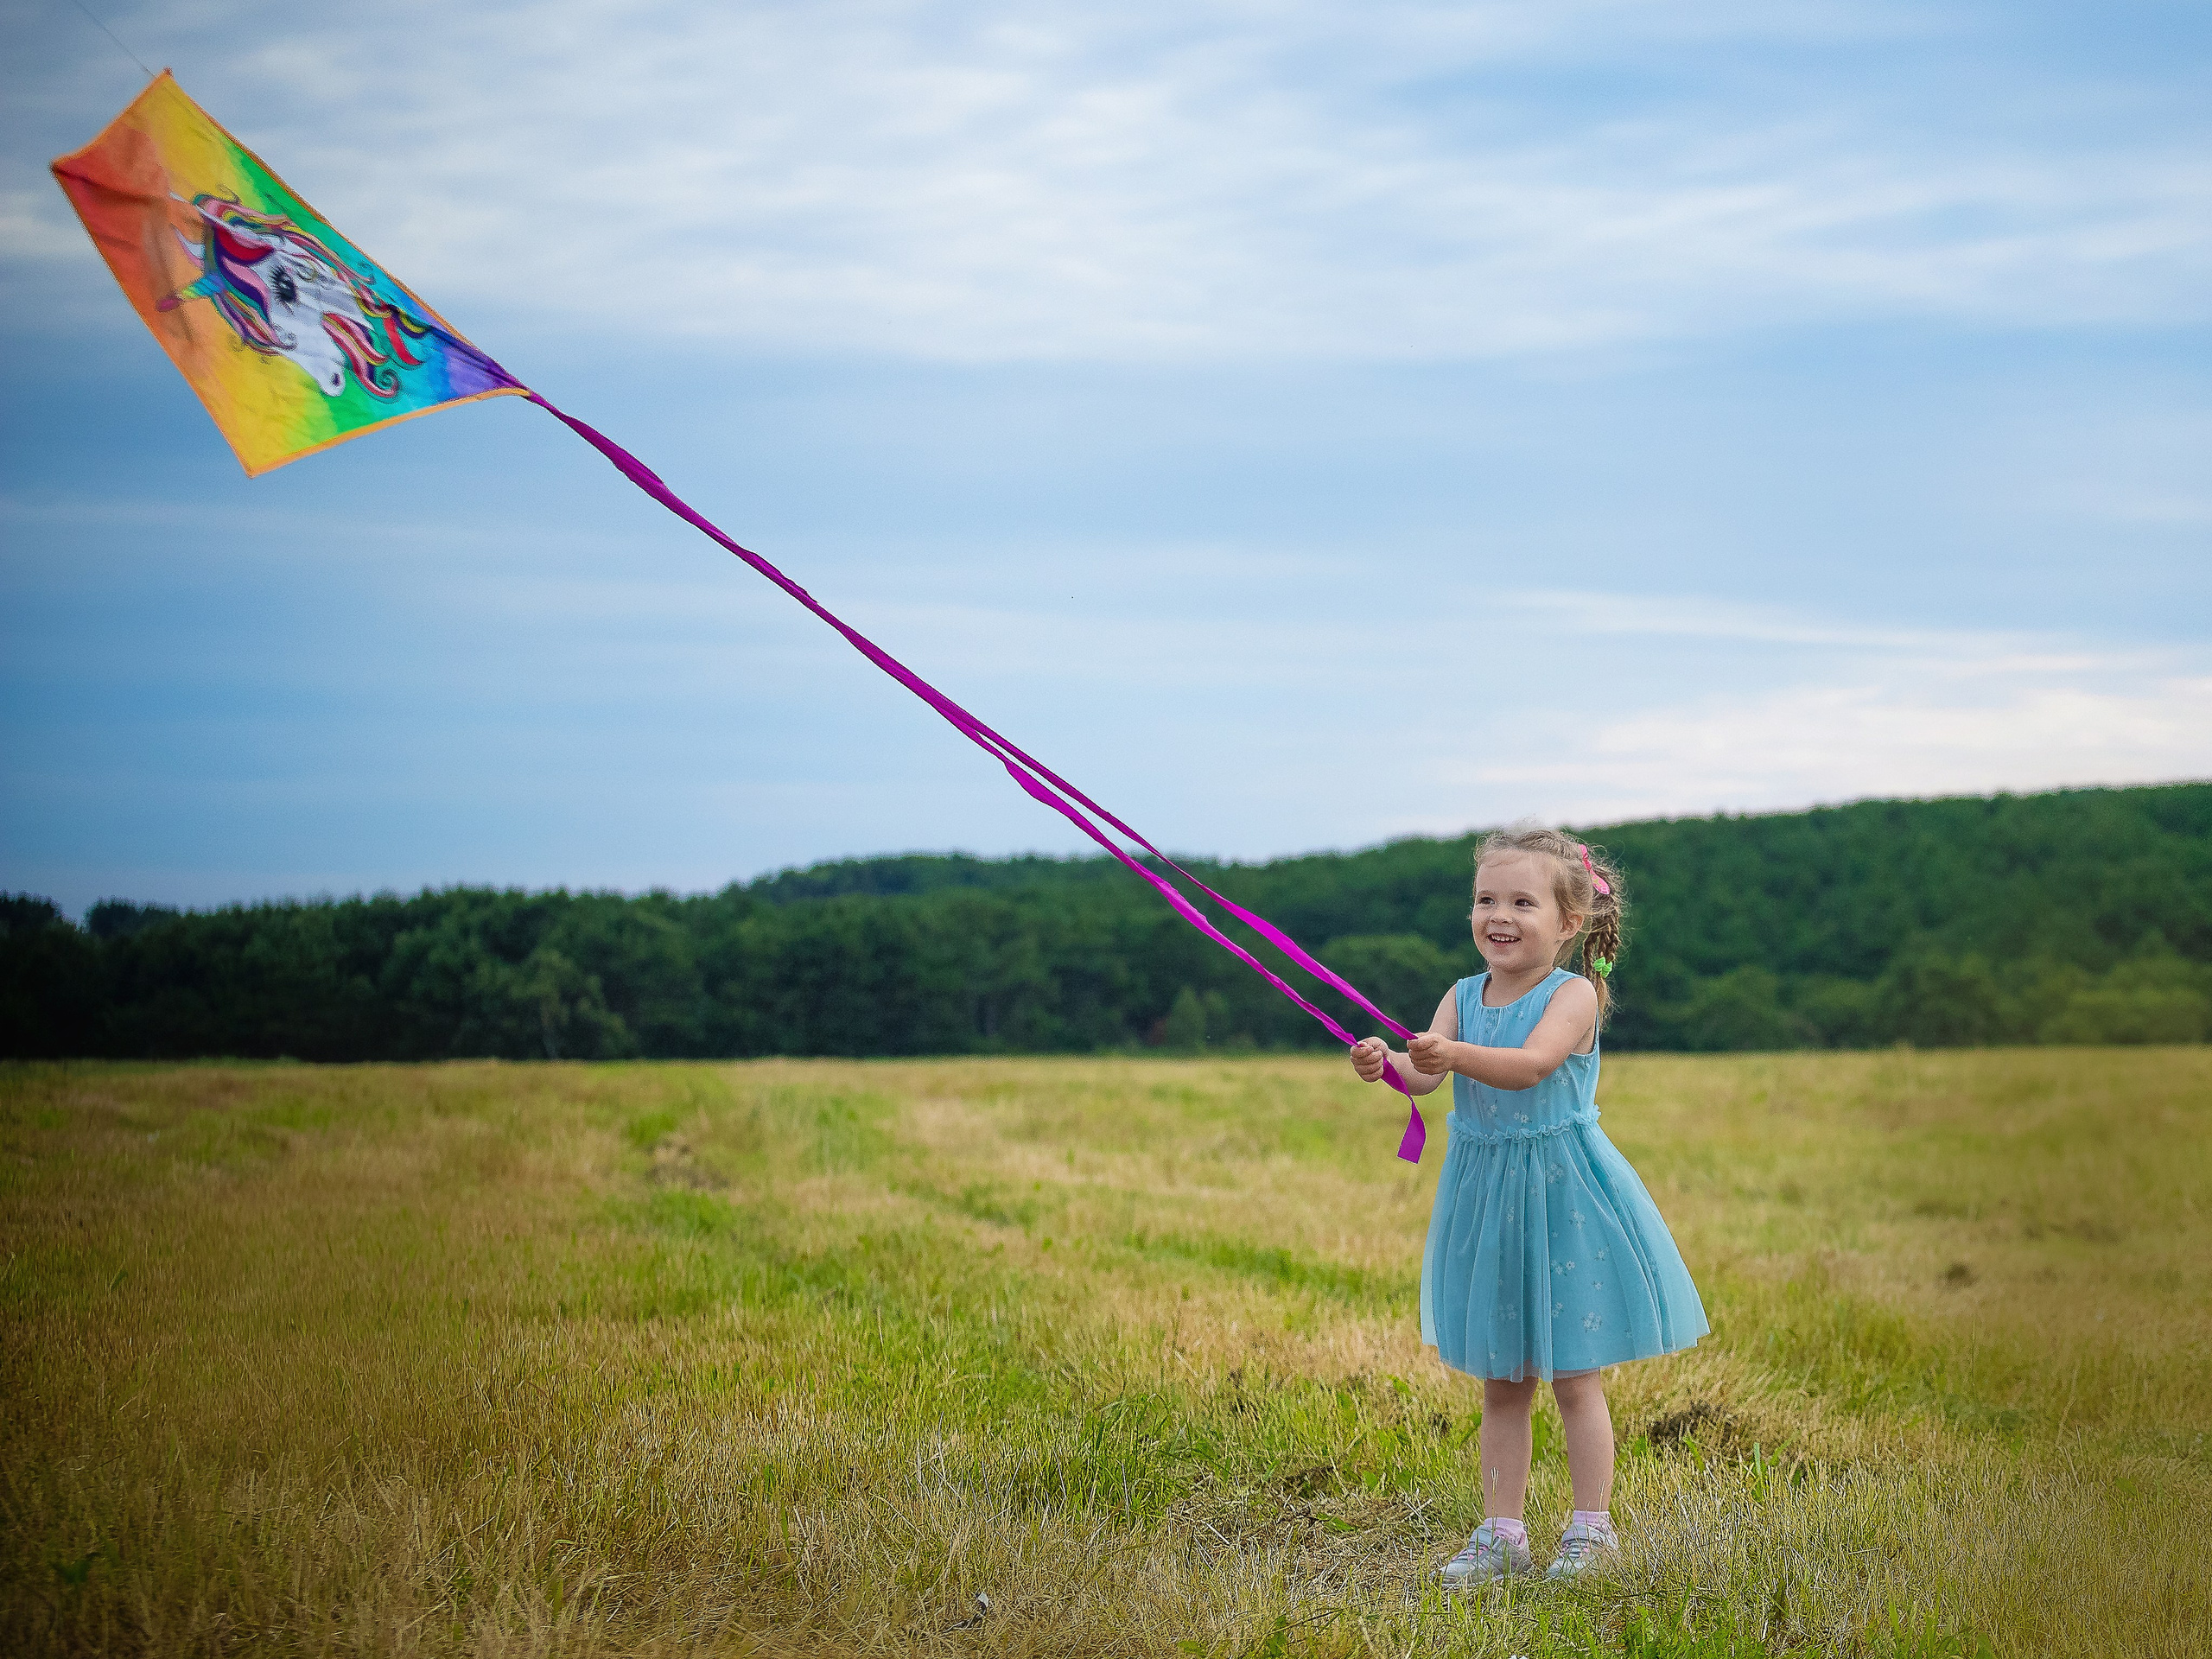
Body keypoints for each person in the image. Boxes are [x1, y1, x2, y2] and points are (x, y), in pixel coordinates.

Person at [1351, 826, 1707, 1586]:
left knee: (1575, 1375)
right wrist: (1388, 1064)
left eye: (1521, 901)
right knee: (1503, 1379)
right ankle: (1501, 1532)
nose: (1498, 916)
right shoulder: (1460, 994)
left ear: (1568, 922)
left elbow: (1532, 1065)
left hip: (1562, 1198)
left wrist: (1450, 1057)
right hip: (1487, 1201)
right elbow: (1425, 1078)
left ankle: (1590, 1531)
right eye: (1485, 900)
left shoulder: (1571, 995)